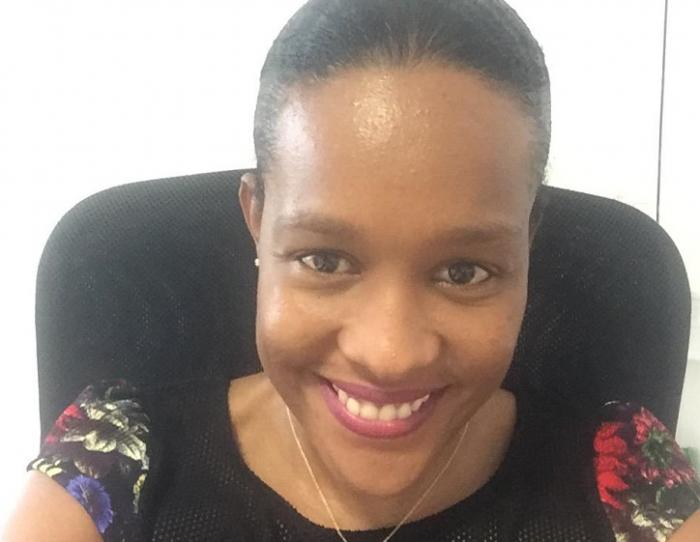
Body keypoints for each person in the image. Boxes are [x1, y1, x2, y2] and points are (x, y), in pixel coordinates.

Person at [4, 0, 700, 540]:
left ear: (527, 240)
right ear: (257, 219)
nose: (389, 353)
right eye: (325, 260)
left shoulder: (622, 477)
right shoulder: (114, 459)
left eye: (464, 271)